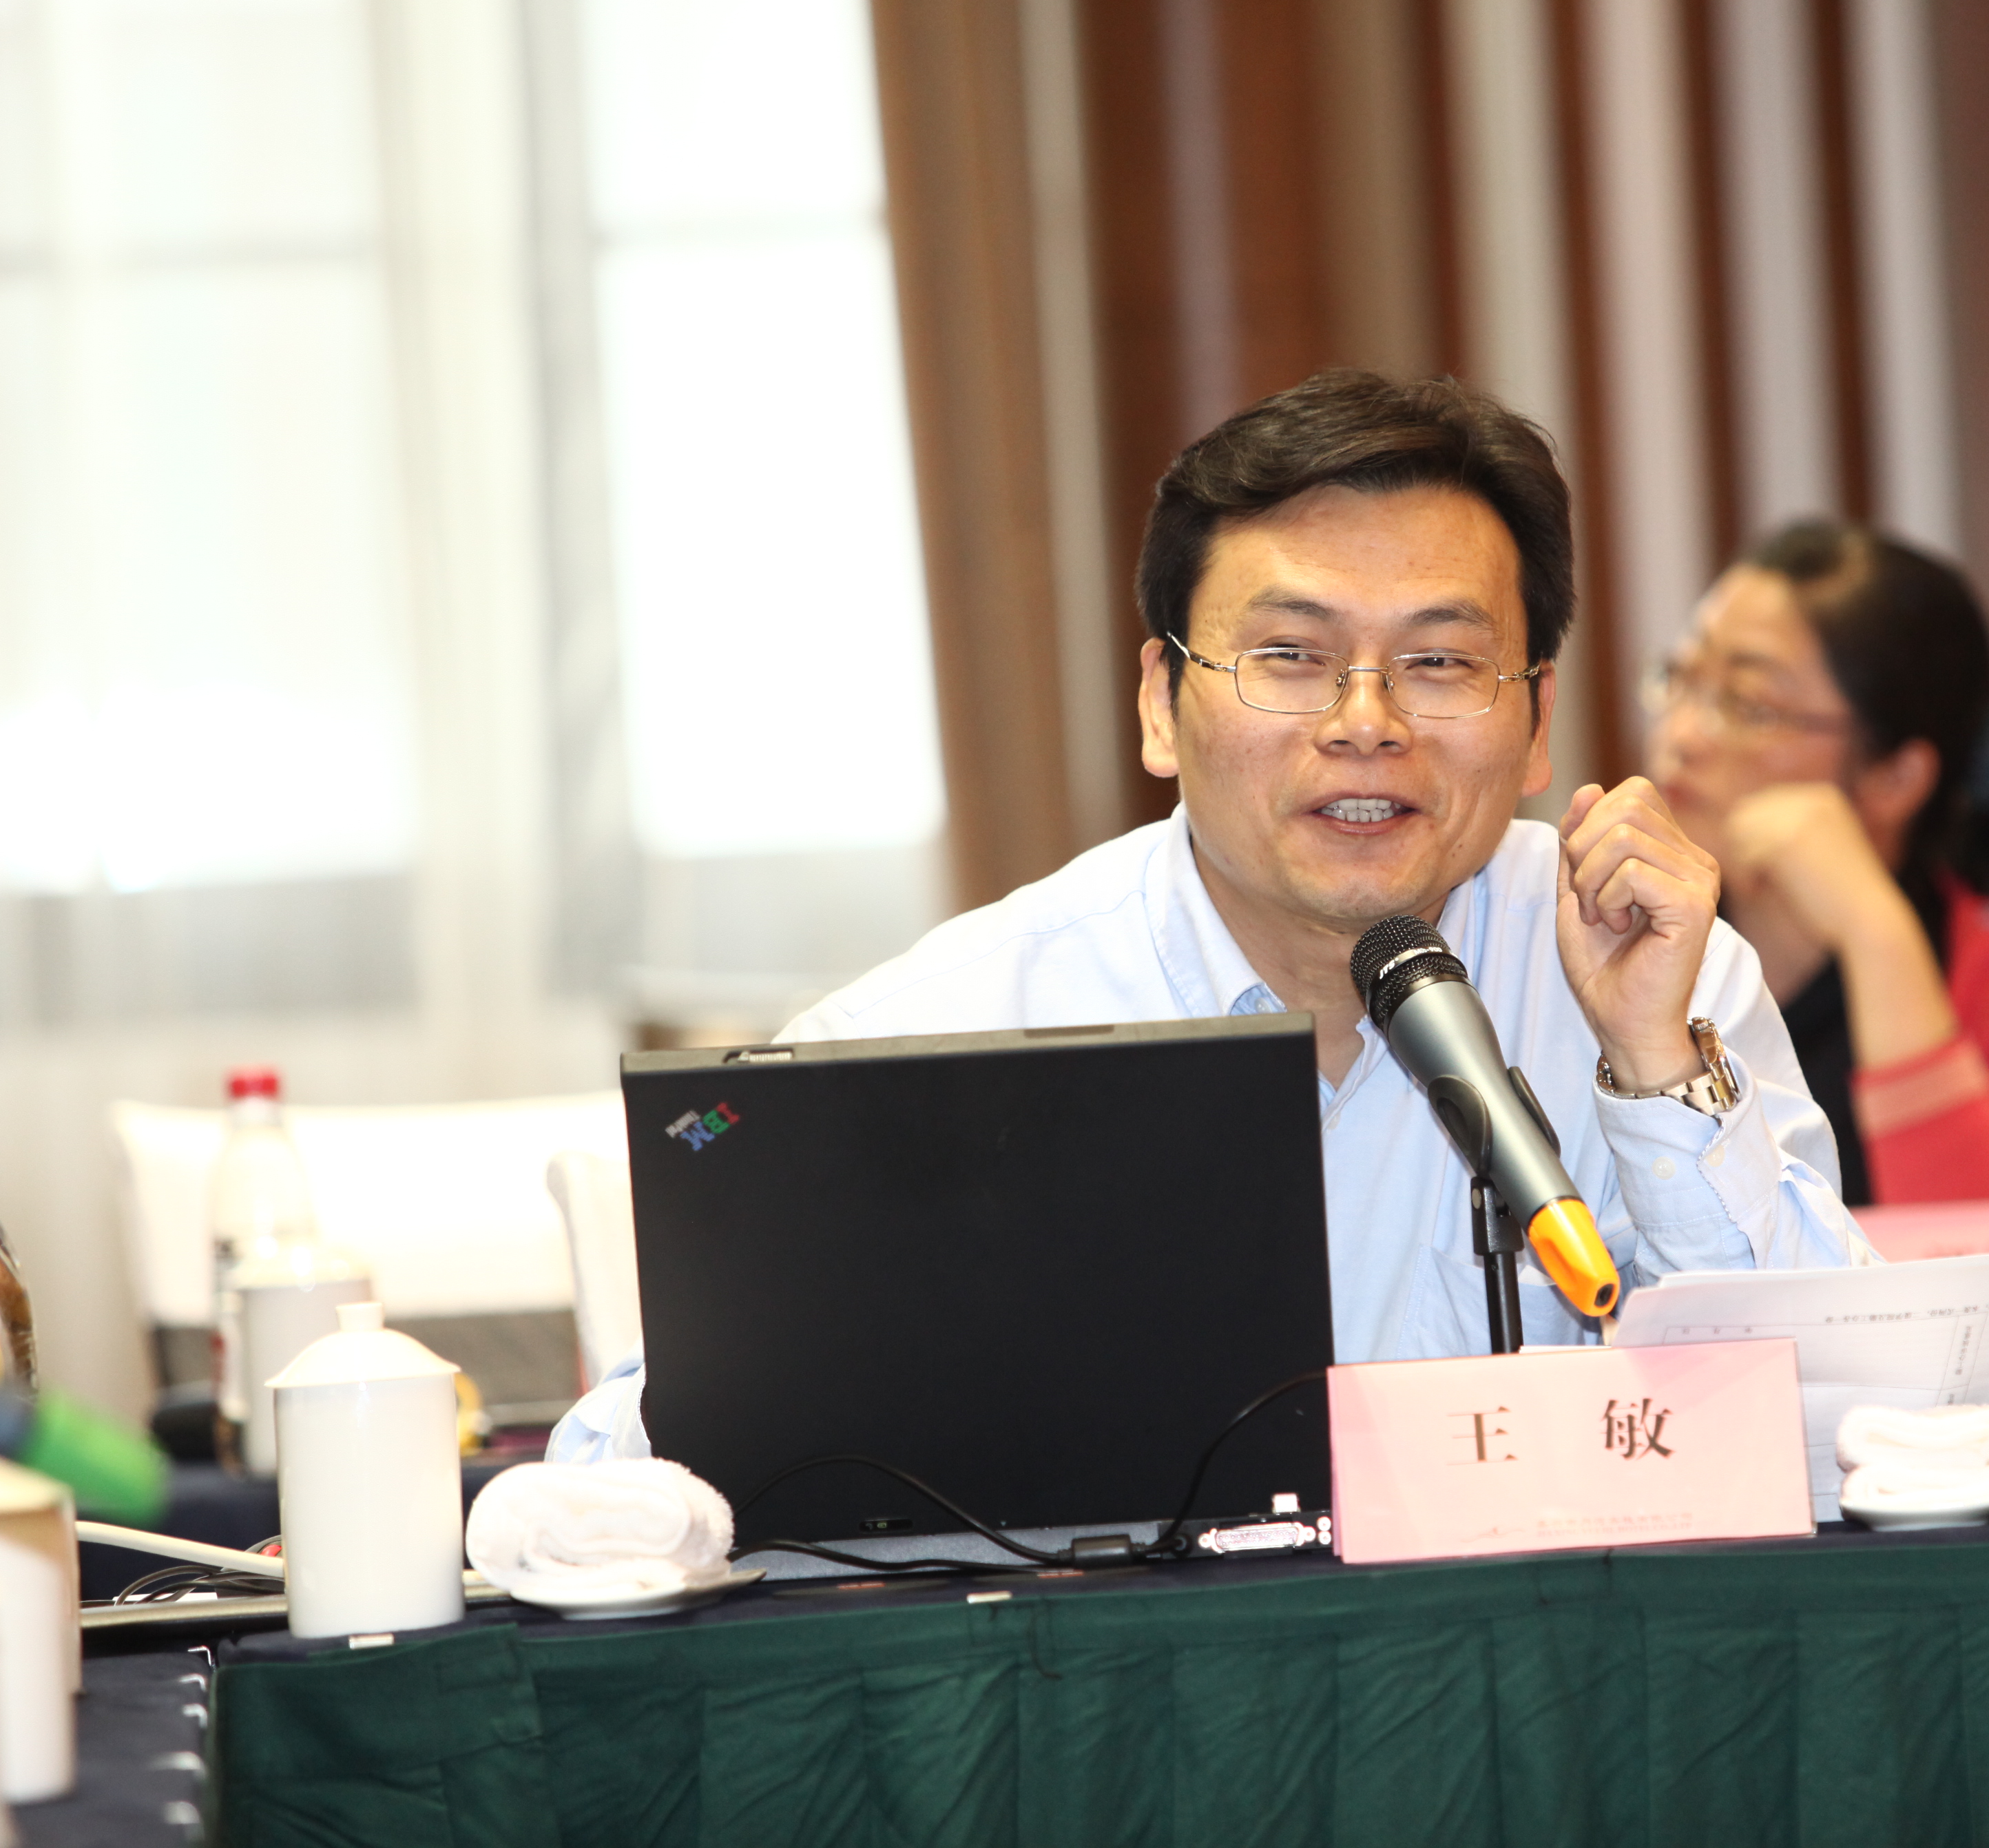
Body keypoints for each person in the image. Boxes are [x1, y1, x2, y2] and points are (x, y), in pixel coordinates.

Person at [552, 371, 1861, 1461]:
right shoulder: (945, 1031)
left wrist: (1652, 1068)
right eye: (1290, 656)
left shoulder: (1646, 966)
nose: (1367, 722)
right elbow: (620, 1470)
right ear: (1158, 707)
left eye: (1440, 662)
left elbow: (1841, 1423)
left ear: (1535, 720)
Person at [1643, 519, 1989, 1207]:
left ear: (1896, 777)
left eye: (1750, 705)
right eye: (1681, 679)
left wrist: (1874, 930)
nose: (1682, 735)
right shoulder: (1615, 946)